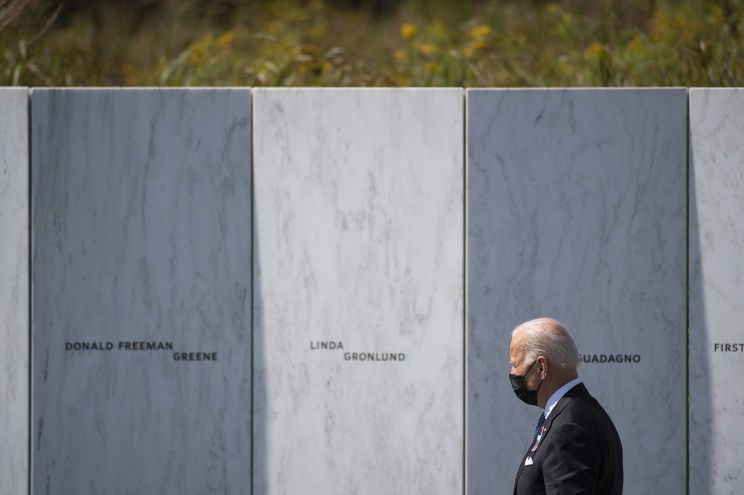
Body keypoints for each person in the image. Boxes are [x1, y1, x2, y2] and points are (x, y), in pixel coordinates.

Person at [509, 317, 623, 494]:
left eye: (515, 364)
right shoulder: (580, 412)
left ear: (541, 367)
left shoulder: (568, 428)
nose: (513, 373)